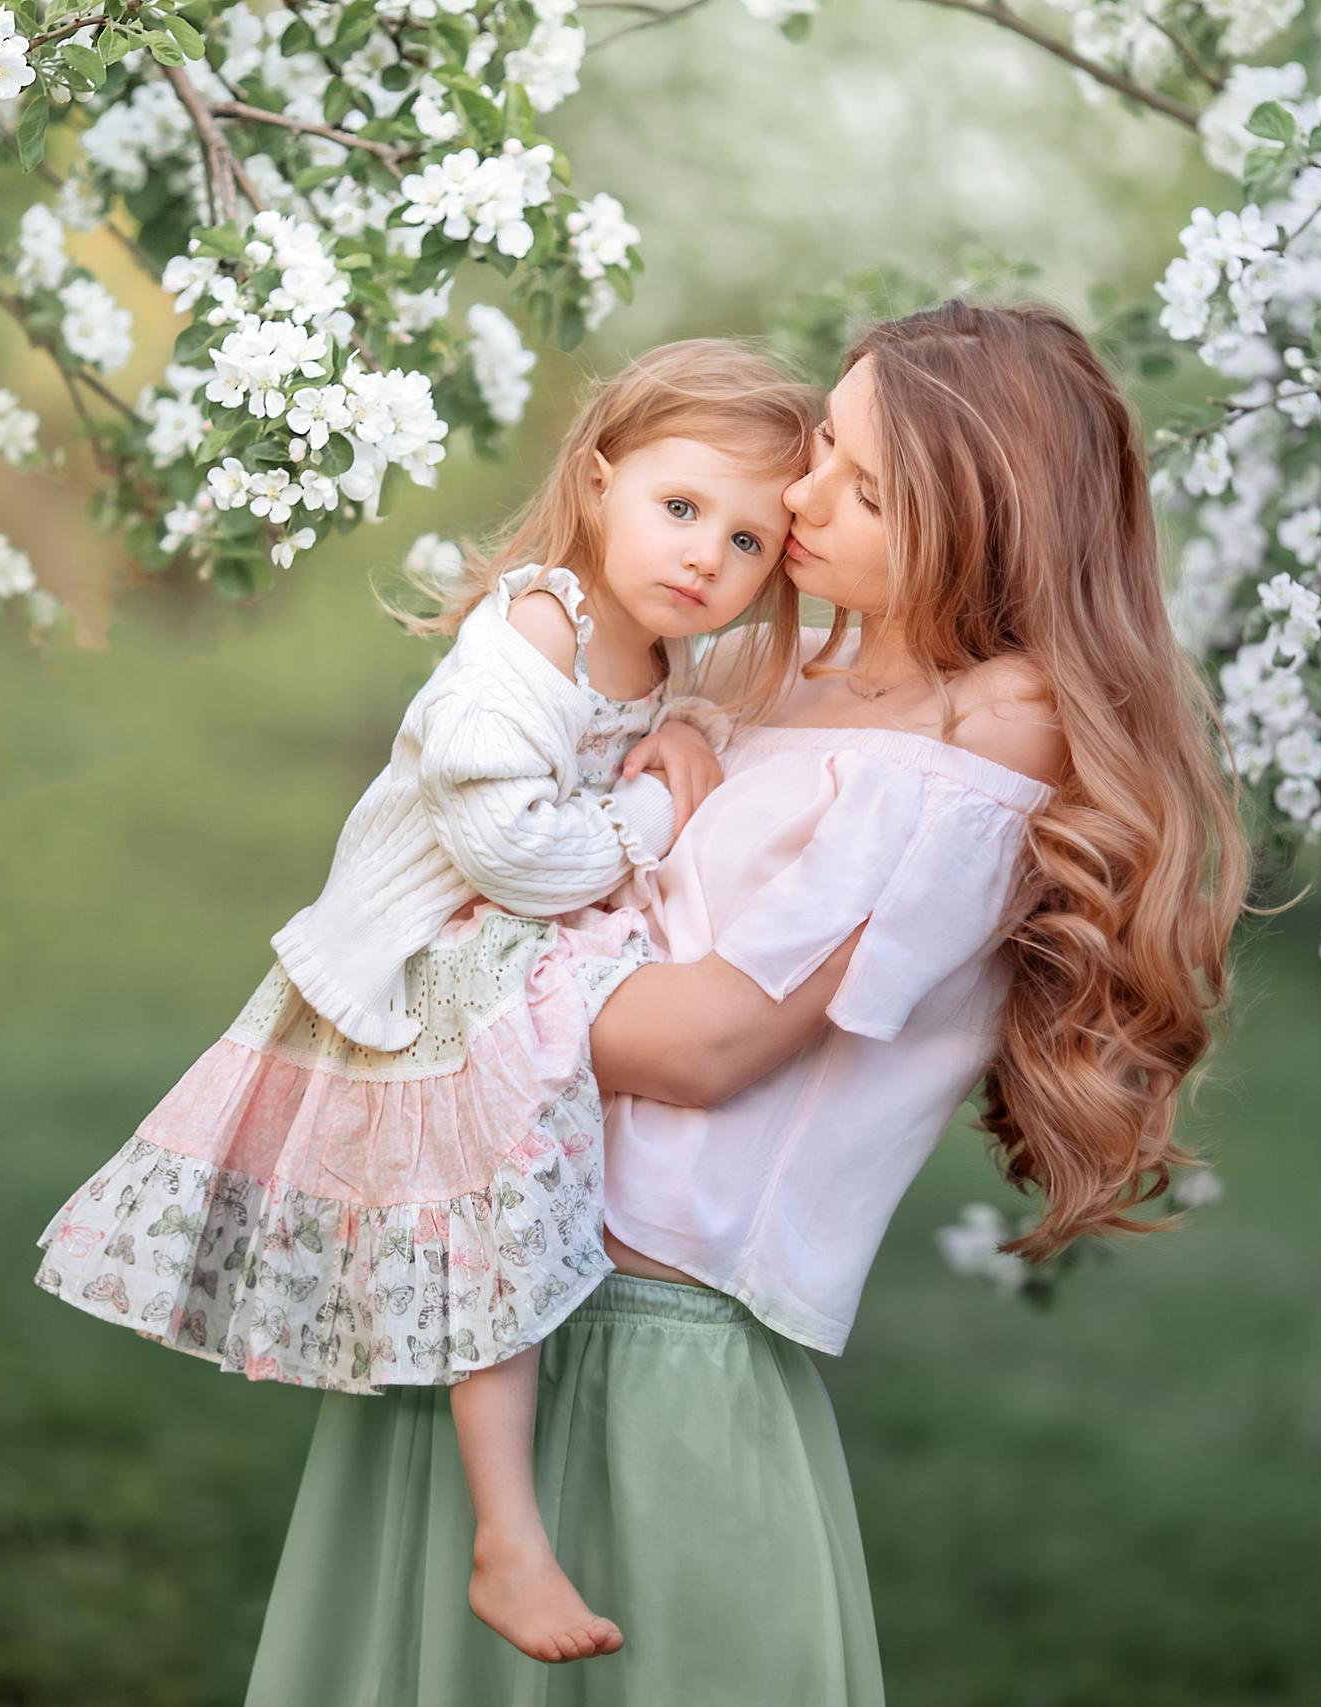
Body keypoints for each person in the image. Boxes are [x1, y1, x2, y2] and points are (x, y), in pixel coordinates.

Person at [242, 300, 1249, 1706]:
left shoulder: (988, 729)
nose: (797, 497)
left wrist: (427, 988)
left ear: (986, 521)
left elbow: (704, 1044)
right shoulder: (771, 670)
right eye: (822, 445)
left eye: (865, 486)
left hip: (653, 1352)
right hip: (486, 1294)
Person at [36, 341, 823, 1662]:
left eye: (747, 541)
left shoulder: (663, 656)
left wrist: (686, 743)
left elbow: (697, 749)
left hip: (520, 941)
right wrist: (645, 813)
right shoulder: (532, 630)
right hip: (429, 955)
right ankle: (506, 1536)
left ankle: (535, 1471)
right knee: (493, 1189)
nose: (705, 556)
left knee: (532, 1157)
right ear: (601, 476)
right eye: (682, 508)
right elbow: (510, 850)